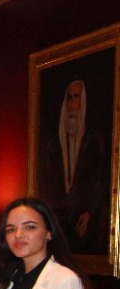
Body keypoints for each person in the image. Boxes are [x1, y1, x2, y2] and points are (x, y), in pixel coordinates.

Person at [37, 80, 109, 255]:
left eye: (76, 97)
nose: (71, 105)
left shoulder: (94, 141)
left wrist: (89, 212)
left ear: (82, 102)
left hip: (85, 224)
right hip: (60, 224)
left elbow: (99, 181)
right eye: (69, 98)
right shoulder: (54, 144)